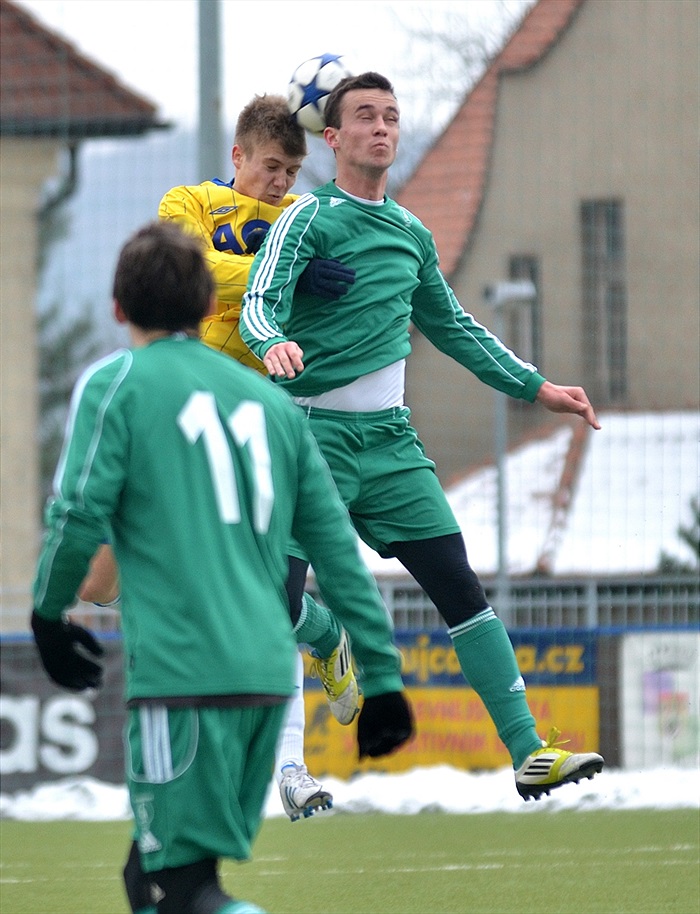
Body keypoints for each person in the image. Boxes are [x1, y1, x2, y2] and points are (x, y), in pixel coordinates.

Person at [240, 71, 605, 801]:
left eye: (392, 117)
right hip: (311, 441)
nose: (382, 127)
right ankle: (289, 765)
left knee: (461, 588)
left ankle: (529, 751)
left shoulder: (411, 234)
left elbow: (456, 328)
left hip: (391, 444)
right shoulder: (306, 218)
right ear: (334, 138)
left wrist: (539, 387)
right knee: (276, 602)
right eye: (366, 117)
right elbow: (258, 301)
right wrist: (271, 341)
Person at [30, 221, 413, 914]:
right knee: (149, 882)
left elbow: (78, 514)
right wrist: (382, 677)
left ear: (118, 308)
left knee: (181, 891)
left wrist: (48, 614)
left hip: (183, 676)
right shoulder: (272, 403)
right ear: (212, 308)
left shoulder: (117, 384)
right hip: (267, 678)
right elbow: (335, 549)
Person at [83, 94, 359, 823]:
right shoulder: (192, 203)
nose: (281, 182)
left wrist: (306, 281)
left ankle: (290, 770)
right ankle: (321, 630)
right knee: (100, 585)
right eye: (271, 166)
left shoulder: (307, 222)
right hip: (172, 412)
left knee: (256, 598)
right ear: (238, 158)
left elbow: (323, 306)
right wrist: (277, 278)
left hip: (251, 424)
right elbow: (190, 275)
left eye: (293, 171)